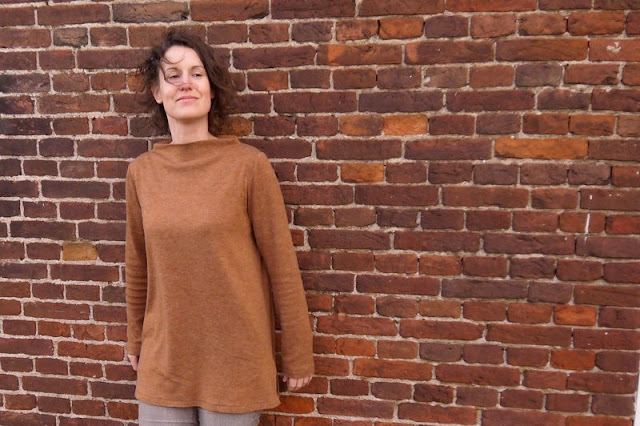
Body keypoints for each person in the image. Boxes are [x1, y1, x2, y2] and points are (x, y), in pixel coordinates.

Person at [124, 28, 314, 426]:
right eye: (173, 75)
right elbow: (138, 265)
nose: (186, 83)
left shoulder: (248, 166)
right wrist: (135, 338)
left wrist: (298, 351)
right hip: (165, 359)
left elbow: (281, 264)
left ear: (211, 90)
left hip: (235, 359)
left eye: (197, 74)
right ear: (157, 92)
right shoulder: (142, 173)